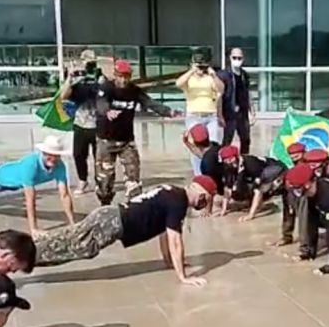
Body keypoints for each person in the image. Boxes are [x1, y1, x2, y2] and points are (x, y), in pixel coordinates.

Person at [33, 178, 215, 287]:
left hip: (109, 214)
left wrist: (169, 262)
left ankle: (28, 247)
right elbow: (175, 240)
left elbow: (164, 234)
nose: (205, 204)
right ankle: (28, 257)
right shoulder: (179, 203)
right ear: (202, 195)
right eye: (207, 199)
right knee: (74, 248)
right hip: (112, 223)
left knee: (69, 237)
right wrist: (183, 277)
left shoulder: (173, 192)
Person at [94, 59, 178, 205]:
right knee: (105, 179)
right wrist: (107, 111)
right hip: (106, 140)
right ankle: (105, 204)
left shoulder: (134, 91)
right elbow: (101, 103)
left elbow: (149, 103)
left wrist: (168, 111)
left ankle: (133, 208)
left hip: (127, 141)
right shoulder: (107, 88)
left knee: (133, 177)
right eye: (120, 76)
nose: (123, 80)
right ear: (115, 75)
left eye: (126, 76)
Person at [0, 135, 76, 237]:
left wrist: (72, 223)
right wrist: (34, 229)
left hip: (19, 183)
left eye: (56, 155)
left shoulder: (60, 166)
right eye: (49, 154)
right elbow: (30, 200)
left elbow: (65, 195)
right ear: (43, 152)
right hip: (5, 176)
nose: (53, 158)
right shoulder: (31, 164)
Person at [59, 49, 104, 194]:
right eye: (86, 60)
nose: (89, 64)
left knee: (100, 156)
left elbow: (107, 94)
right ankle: (83, 180)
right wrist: (71, 77)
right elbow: (63, 96)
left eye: (92, 61)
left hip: (98, 125)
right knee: (78, 154)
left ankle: (100, 181)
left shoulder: (100, 76)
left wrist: (102, 79)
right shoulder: (77, 78)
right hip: (80, 124)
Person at [177, 49, 224, 175]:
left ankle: (212, 171)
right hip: (194, 116)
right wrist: (192, 70)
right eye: (198, 65)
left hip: (210, 116)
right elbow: (178, 83)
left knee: (213, 146)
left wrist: (213, 75)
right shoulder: (189, 79)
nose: (200, 69)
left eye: (202, 66)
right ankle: (198, 174)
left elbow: (221, 89)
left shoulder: (209, 78)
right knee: (196, 146)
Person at [218, 46, 252, 157]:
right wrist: (220, 115)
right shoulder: (223, 75)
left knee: (245, 139)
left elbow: (247, 93)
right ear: (229, 58)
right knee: (227, 139)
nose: (237, 60)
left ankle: (244, 160)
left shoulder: (244, 75)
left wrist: (252, 111)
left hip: (242, 112)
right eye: (234, 57)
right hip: (229, 112)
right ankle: (224, 161)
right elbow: (219, 96)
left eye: (239, 58)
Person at [236, 151, 288, 223]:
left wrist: (250, 215)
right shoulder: (238, 163)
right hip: (265, 168)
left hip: (276, 169)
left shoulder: (251, 165)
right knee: (248, 185)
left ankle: (255, 209)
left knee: (259, 189)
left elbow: (258, 191)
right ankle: (258, 205)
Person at [182, 123, 219, 188]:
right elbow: (202, 154)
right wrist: (187, 143)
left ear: (196, 144)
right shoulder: (215, 146)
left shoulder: (205, 164)